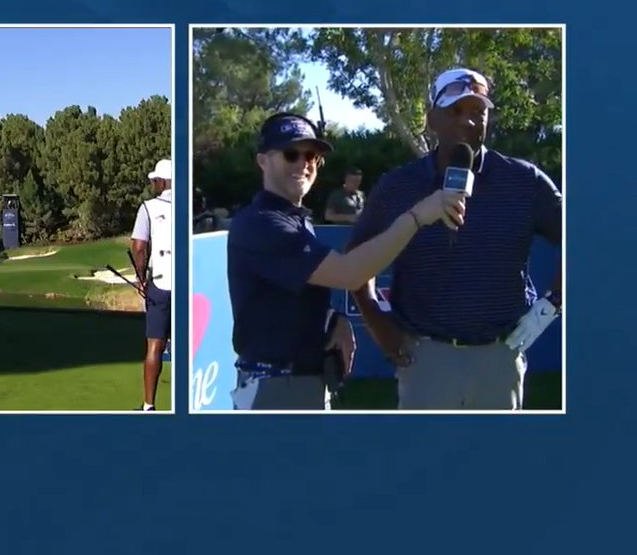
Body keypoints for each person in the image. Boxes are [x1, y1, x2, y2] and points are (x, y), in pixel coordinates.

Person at [347, 68, 562, 410]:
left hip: (500, 359)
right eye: (456, 110)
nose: (470, 121)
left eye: (479, 111)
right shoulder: (397, 186)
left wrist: (552, 305)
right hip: (424, 360)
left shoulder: (525, 182)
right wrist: (378, 326)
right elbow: (355, 262)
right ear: (432, 118)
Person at [225, 113, 465, 410]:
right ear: (263, 161)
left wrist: (333, 319)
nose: (304, 164)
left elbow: (293, 294)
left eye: (311, 155)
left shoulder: (294, 220)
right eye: (291, 154)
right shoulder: (262, 224)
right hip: (275, 388)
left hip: (300, 383)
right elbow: (350, 274)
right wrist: (417, 217)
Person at [130, 158, 173, 411]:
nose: (153, 184)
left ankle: (149, 406)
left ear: (162, 181)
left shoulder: (148, 207)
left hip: (160, 283)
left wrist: (140, 276)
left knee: (155, 345)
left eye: (155, 180)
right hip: (187, 282)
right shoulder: (190, 206)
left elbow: (138, 246)